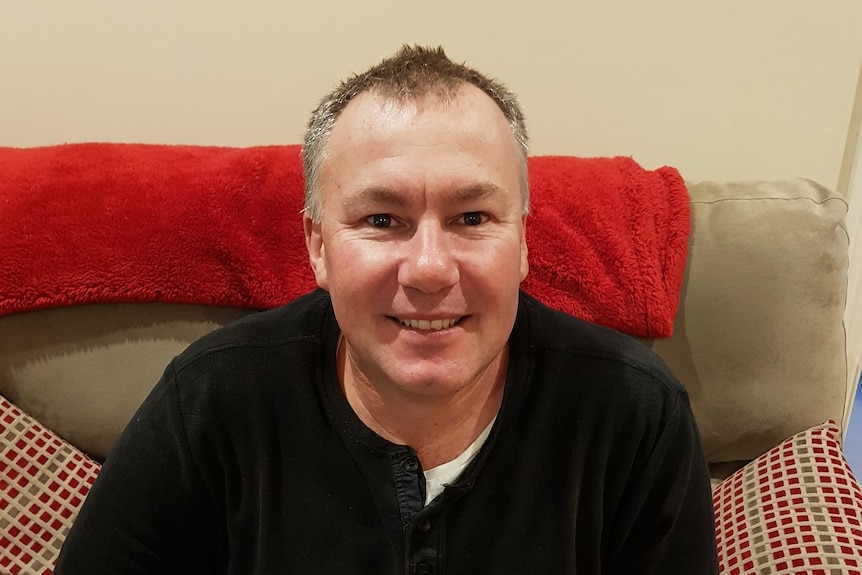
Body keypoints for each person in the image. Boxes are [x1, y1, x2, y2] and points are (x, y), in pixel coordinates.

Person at [55, 45, 718, 574]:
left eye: (471, 216)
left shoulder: (637, 419)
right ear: (317, 245)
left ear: (522, 241)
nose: (430, 268)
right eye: (381, 218)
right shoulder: (210, 403)